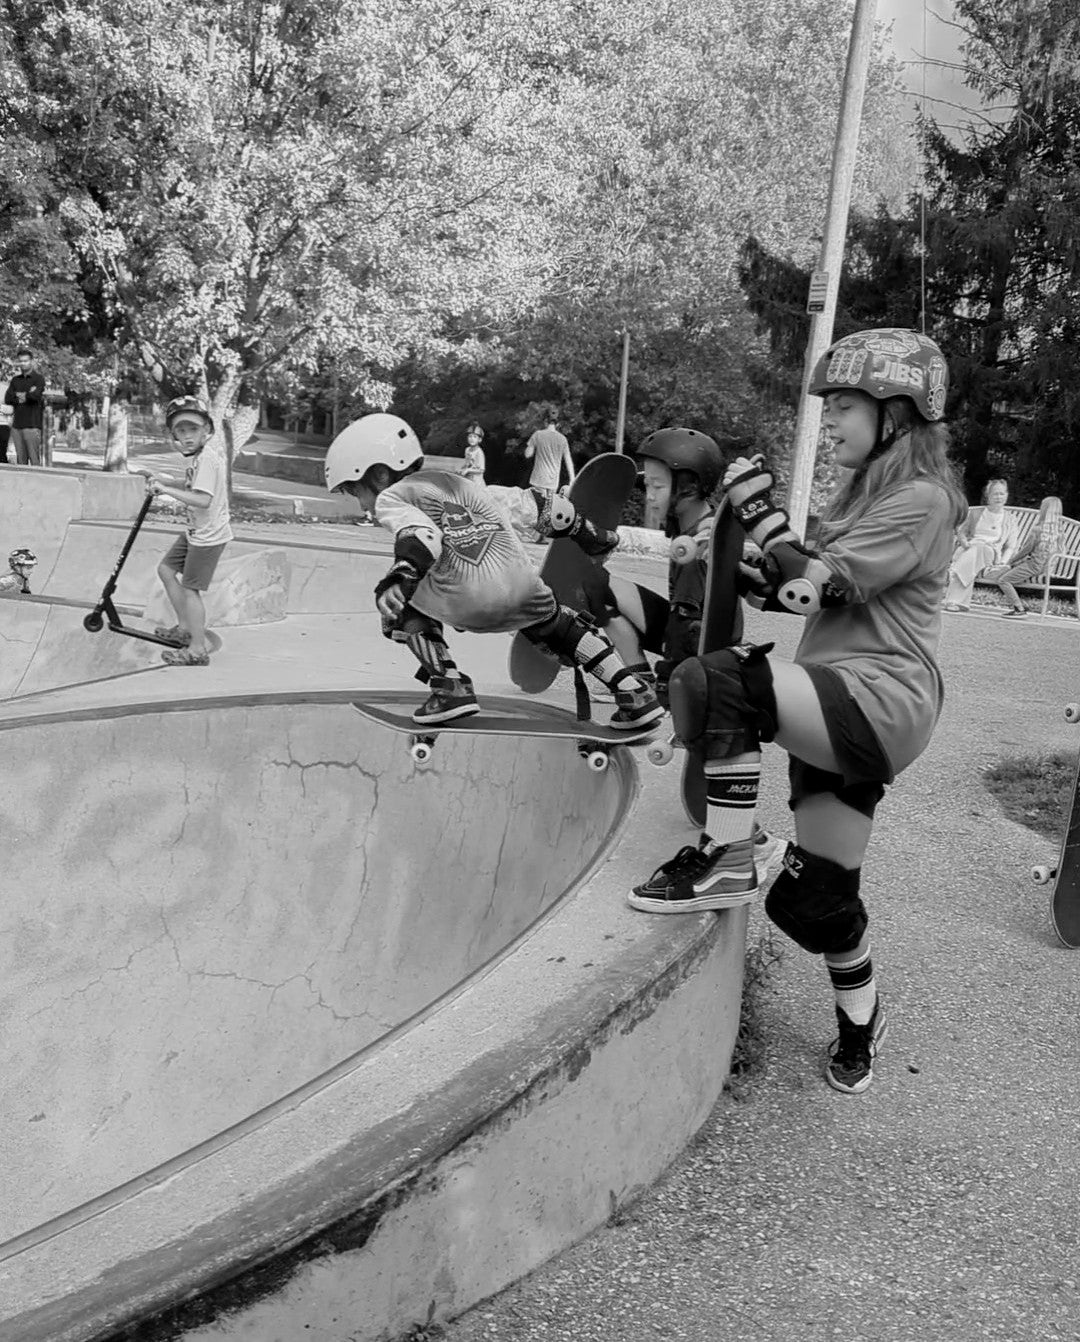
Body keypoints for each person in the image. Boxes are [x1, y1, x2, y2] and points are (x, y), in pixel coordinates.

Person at [628, 328, 966, 1095]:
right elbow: (791, 584)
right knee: (818, 905)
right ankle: (861, 1023)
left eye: (846, 405)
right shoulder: (876, 500)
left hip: (879, 699)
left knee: (720, 682)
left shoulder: (923, 500)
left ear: (899, 414)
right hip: (835, 700)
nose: (834, 419)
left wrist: (765, 516)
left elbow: (816, 585)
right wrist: (747, 559)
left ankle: (727, 856)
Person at [324, 412, 664, 728]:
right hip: (522, 588)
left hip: (466, 599)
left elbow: (421, 536)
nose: (363, 505)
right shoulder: (465, 485)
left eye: (355, 491)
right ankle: (634, 693)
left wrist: (400, 576)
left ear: (380, 474)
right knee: (559, 624)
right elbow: (538, 507)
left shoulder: (393, 496)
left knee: (397, 609)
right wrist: (591, 535)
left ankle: (449, 687)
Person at [145, 396, 232, 667]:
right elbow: (193, 486)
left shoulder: (207, 459)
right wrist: (163, 480)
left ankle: (196, 649)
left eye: (193, 429)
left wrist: (166, 491)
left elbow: (203, 500)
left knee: (191, 590)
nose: (187, 436)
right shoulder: (199, 459)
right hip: (196, 531)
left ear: (207, 430)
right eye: (181, 431)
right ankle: (184, 627)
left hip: (208, 536)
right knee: (166, 570)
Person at [943, 478, 1018, 611]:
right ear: (988, 496)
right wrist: (965, 544)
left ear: (1006, 496)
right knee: (972, 556)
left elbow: (1010, 546)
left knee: (978, 550)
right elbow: (961, 533)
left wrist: (1002, 562)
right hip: (969, 549)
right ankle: (959, 603)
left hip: (991, 552)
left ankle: (954, 599)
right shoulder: (976, 513)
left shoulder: (1010, 519)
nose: (998, 497)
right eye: (995, 494)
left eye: (1002, 494)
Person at [993, 495, 1063, 617]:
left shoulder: (1037, 529)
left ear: (1044, 511)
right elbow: (1062, 551)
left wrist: (1010, 561)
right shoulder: (1060, 531)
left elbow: (1026, 550)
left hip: (1033, 566)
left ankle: (1019, 608)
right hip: (1047, 567)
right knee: (1009, 570)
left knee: (1004, 580)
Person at [4, 349, 46, 466]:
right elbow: (8, 398)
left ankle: (37, 484)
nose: (23, 363)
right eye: (21, 361)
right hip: (17, 426)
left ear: (31, 361)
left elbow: (35, 396)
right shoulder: (15, 380)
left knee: (34, 461)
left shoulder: (39, 379)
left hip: (32, 425)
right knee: (21, 462)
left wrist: (19, 395)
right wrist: (27, 394)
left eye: (26, 361)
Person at [524, 412, 575, 495]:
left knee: (537, 505)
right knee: (549, 506)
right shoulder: (563, 439)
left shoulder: (538, 434)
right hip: (553, 482)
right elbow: (568, 460)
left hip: (538, 479)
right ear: (558, 424)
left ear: (545, 422)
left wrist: (530, 447)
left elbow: (528, 455)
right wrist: (572, 478)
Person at [0, 397, 13, 464]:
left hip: (3, 425)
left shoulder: (6, 392)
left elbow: (11, 410)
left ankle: (3, 461)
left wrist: (1, 407)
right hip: (4, 426)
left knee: (2, 448)